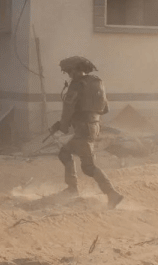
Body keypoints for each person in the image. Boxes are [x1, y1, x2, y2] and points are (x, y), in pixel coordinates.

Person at [51, 56, 123, 209]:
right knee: (64, 153)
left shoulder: (76, 85)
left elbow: (68, 109)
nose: (69, 75)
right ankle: (72, 188)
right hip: (94, 126)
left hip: (83, 129)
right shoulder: (97, 82)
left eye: (69, 71)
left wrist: (62, 126)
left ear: (75, 70)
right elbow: (105, 109)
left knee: (88, 167)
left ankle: (112, 193)